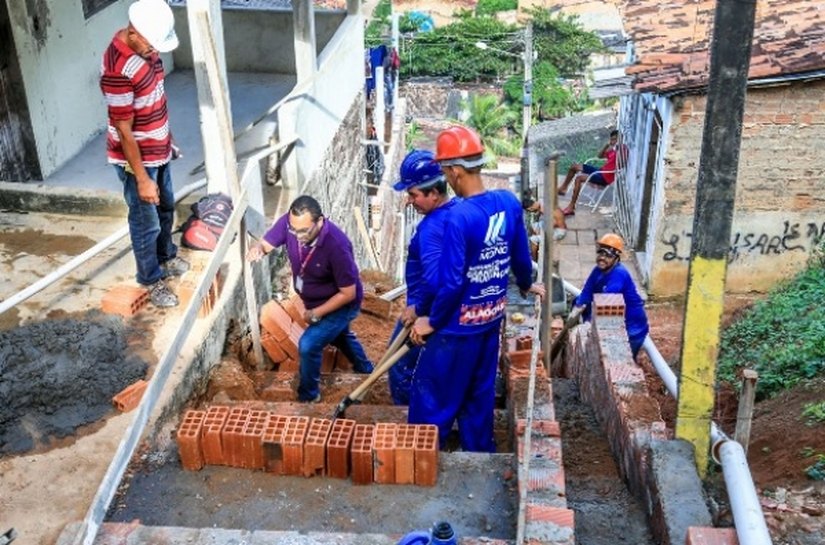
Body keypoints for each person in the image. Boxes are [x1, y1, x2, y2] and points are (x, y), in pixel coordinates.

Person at [409, 125, 545, 452]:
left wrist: (433, 321)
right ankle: (479, 453)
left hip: (456, 330)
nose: (445, 178)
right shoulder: (508, 203)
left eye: (445, 171)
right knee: (478, 394)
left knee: (433, 398)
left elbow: (453, 281)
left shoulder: (460, 216)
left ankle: (422, 455)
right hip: (489, 322)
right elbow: (520, 255)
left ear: (455, 171)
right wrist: (527, 284)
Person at [100, 0, 189, 308]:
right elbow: (124, 129)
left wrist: (167, 137)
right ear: (134, 33)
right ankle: (150, 279)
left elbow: (155, 100)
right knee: (145, 221)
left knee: (166, 208)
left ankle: (166, 257)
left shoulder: (147, 51)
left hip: (158, 148)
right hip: (137, 160)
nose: (157, 53)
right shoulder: (118, 69)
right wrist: (141, 179)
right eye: (152, 46)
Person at [246, 196, 374, 402]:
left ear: (320, 221)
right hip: (316, 299)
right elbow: (266, 244)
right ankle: (366, 370)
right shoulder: (290, 224)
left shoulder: (337, 245)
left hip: (342, 304)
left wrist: (317, 313)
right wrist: (258, 249)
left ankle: (308, 397)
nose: (297, 236)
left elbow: (348, 293)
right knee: (341, 336)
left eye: (304, 231)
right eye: (293, 230)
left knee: (308, 344)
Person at [388, 149, 458, 405]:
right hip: (449, 309)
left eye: (413, 194)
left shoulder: (430, 229)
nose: (409, 201)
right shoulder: (459, 212)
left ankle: (408, 423)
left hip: (426, 309)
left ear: (435, 193)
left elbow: (436, 279)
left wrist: (418, 309)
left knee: (399, 366)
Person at [574, 233, 649, 359]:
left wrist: (588, 324)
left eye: (608, 255)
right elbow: (586, 292)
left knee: (621, 361)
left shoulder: (619, 274)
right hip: (613, 319)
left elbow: (604, 304)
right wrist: (576, 310)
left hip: (631, 328)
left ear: (616, 258)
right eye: (600, 253)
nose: (602, 258)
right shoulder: (598, 270)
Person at [557, 129, 628, 216]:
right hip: (600, 171)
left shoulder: (624, 150)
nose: (613, 141)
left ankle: (571, 207)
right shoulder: (613, 150)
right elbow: (599, 156)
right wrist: (606, 146)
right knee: (574, 166)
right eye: (612, 139)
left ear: (621, 139)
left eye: (615, 139)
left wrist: (619, 149)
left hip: (604, 178)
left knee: (579, 178)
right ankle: (563, 188)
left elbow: (622, 164)